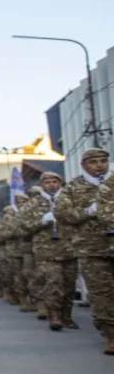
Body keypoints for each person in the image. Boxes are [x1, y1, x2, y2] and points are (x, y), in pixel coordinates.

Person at [60, 148, 114, 355]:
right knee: (101, 294)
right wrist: (87, 212)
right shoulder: (73, 188)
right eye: (94, 162)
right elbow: (63, 214)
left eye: (103, 161)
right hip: (93, 248)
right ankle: (110, 335)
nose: (99, 165)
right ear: (84, 166)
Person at [24, 173, 78, 330]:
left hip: (70, 248)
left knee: (69, 284)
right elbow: (23, 228)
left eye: (55, 181)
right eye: (47, 182)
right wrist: (41, 221)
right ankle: (54, 315)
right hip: (46, 251)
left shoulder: (69, 200)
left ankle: (67, 315)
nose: (52, 185)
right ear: (42, 185)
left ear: (60, 183)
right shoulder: (33, 204)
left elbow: (80, 217)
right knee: (53, 283)